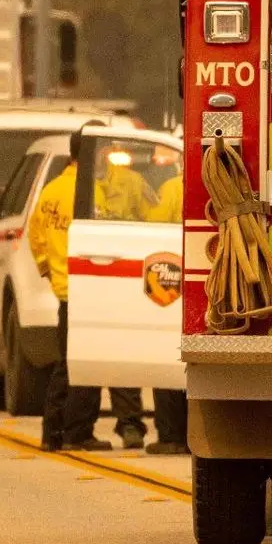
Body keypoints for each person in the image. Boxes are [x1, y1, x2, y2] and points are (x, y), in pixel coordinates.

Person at [92, 139, 189, 455]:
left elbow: (153, 228)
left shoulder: (170, 188)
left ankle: (160, 430)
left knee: (153, 354)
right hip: (188, 282)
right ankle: (166, 431)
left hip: (161, 278)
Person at [30, 121, 111, 451]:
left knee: (65, 362)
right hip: (86, 287)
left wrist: (49, 271)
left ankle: (52, 432)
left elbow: (36, 238)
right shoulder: (91, 190)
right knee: (85, 363)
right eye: (105, 150)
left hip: (64, 287)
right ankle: (78, 432)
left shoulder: (50, 191)